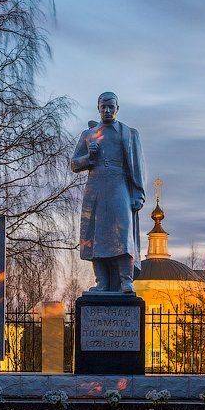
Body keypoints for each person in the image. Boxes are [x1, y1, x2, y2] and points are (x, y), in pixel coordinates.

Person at [70, 91, 146, 294]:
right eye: (103, 106)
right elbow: (74, 164)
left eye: (111, 106)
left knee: (122, 232)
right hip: (95, 187)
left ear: (117, 108)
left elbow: (137, 166)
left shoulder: (128, 133)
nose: (107, 110)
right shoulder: (88, 135)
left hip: (118, 184)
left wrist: (139, 193)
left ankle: (126, 281)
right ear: (98, 108)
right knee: (96, 235)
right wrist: (89, 157)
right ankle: (102, 282)